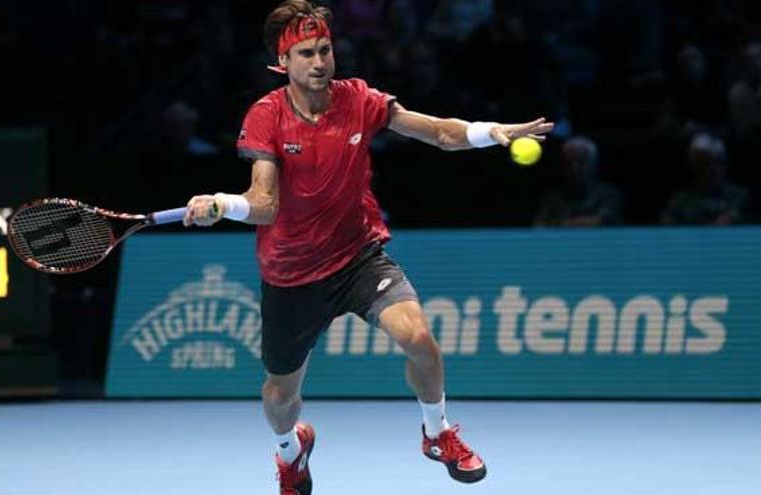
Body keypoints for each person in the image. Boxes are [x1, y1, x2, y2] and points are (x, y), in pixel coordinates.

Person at [182, 1, 552, 493]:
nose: (320, 62)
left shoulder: (358, 98)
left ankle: (437, 433)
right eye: (307, 53)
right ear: (282, 63)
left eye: (326, 50)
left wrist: (492, 133)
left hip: (358, 256)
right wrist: (223, 204)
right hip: (292, 276)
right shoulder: (266, 116)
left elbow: (439, 132)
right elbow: (264, 203)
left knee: (420, 340)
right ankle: (292, 452)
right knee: (279, 398)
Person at [660, 133, 750, 225]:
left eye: (718, 162)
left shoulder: (739, 196)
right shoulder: (681, 199)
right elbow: (667, 224)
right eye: (705, 163)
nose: (713, 168)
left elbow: (725, 224)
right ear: (694, 166)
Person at [534, 135, 622, 227]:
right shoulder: (552, 200)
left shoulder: (608, 196)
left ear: (593, 164)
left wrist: (561, 225)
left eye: (581, 161)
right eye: (569, 162)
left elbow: (603, 221)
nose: (575, 168)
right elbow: (539, 227)